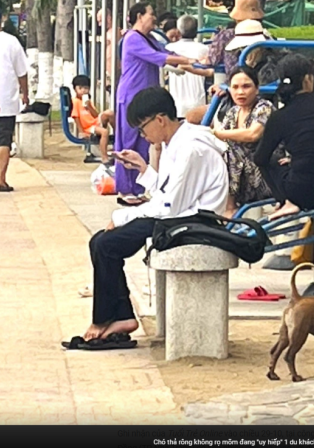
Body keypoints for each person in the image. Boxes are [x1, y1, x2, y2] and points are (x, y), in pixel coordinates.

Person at [75, 87, 228, 343]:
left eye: (142, 128)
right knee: (101, 242)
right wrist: (143, 169)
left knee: (106, 243)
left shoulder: (191, 148)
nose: (142, 135)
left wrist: (123, 217)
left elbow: (170, 206)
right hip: (182, 215)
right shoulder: (173, 144)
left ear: (160, 119)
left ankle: (109, 317)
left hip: (198, 222)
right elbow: (168, 194)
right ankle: (119, 315)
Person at [114, 2, 198, 205]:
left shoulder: (150, 38)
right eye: (151, 14)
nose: (154, 17)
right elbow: (158, 57)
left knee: (145, 141)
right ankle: (126, 189)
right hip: (131, 95)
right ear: (140, 16)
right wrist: (187, 60)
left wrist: (190, 61)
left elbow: (166, 51)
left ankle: (138, 187)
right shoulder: (132, 39)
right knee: (128, 142)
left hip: (146, 98)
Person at [253, 54, 314, 220]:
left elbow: (260, 159)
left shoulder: (279, 116)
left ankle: (285, 201)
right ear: (308, 79)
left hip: (301, 194)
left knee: (272, 159)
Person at [212, 66, 275, 217]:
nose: (240, 92)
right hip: (240, 176)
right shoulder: (233, 112)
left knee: (229, 153)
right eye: (235, 87)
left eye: (246, 86)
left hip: (264, 173)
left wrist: (218, 133)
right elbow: (217, 140)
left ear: (257, 89)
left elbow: (252, 134)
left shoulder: (264, 107)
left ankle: (229, 206)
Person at [0, 5, 29, 192]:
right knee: (3, 139)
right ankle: (1, 179)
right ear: (2, 20)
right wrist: (25, 93)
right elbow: (22, 72)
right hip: (6, 98)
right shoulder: (11, 41)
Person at [165, 15, 209, 119]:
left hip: (176, 102)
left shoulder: (169, 48)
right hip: (198, 101)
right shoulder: (204, 49)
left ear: (178, 31)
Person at [70, 75, 116, 165]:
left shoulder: (88, 101)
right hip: (88, 127)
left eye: (86, 88)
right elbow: (76, 117)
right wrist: (81, 131)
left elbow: (95, 115)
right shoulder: (75, 101)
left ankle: (118, 136)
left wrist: (89, 107)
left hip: (94, 122)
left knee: (109, 113)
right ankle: (104, 157)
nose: (83, 91)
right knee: (104, 132)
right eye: (80, 88)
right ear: (75, 89)